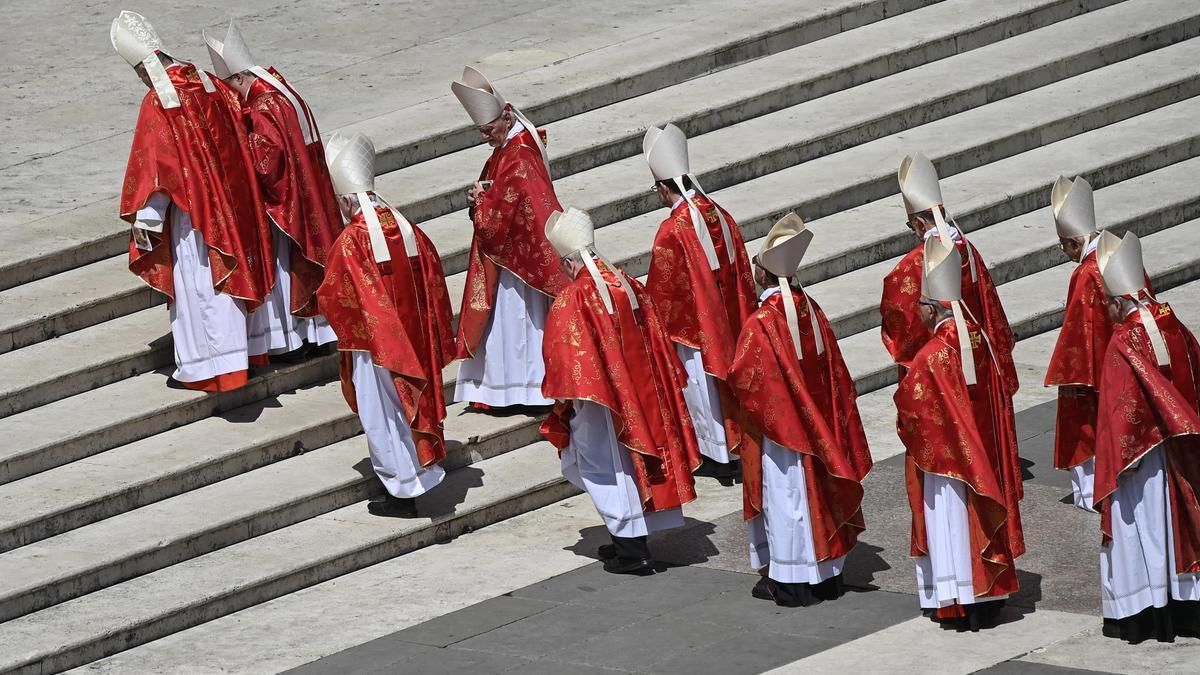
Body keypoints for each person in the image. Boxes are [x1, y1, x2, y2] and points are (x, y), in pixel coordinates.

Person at [111, 10, 270, 391]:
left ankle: (207, 369)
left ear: (144, 67)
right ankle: (240, 357)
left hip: (189, 213)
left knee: (199, 286)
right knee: (223, 281)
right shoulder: (203, 80)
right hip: (225, 201)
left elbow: (156, 166)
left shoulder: (159, 101)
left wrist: (147, 219)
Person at [540, 207, 701, 574]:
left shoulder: (573, 297)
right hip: (640, 393)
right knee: (631, 463)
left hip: (599, 401)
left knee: (604, 467)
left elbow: (564, 354)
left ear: (568, 262)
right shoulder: (626, 281)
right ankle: (628, 539)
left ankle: (632, 550)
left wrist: (565, 403)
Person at [728, 213, 872, 607]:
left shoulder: (762, 322)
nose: (754, 269)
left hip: (782, 434)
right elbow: (833, 370)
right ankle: (826, 576)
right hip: (815, 426)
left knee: (787, 499)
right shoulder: (810, 308)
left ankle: (792, 581)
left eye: (756, 264)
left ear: (764, 273)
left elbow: (743, 377)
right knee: (814, 497)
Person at [316, 132, 454, 518]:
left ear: (347, 199)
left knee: (382, 415)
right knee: (407, 407)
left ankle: (401, 492)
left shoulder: (351, 241)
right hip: (413, 338)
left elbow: (336, 294)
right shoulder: (408, 227)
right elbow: (433, 275)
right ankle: (413, 478)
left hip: (374, 346)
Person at [894, 234, 1025, 631]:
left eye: (919, 307)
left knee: (950, 521)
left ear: (932, 309)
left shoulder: (931, 355)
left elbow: (913, 410)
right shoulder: (978, 338)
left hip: (948, 462)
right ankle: (989, 596)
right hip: (982, 452)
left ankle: (958, 599)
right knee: (978, 520)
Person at [205, 19, 342, 363]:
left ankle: (291, 340)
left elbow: (268, 165)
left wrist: (239, 146)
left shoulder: (263, 107)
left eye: (229, 86)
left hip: (288, 203)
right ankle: (322, 332)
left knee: (286, 266)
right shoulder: (283, 88)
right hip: (312, 190)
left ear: (239, 78)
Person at [1091, 230, 1200, 643]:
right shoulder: (1172, 321)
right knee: (1177, 530)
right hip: (1179, 452)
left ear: (1120, 301)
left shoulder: (1123, 341)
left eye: (1108, 304)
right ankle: (1184, 607)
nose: (1107, 310)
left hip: (1139, 460)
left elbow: (1122, 413)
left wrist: (1117, 462)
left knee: (1142, 530)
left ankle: (1141, 614)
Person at [643, 124, 757, 482]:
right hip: (727, 313)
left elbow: (663, 286)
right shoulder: (719, 213)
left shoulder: (673, 228)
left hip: (694, 326)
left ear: (664, 188)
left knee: (700, 389)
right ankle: (735, 448)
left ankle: (716, 455)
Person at [449, 66, 568, 411]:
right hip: (515, 254)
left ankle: (519, 390)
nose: (486, 137)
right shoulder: (517, 141)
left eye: (488, 131)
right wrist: (481, 197)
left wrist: (481, 202)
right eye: (481, 132)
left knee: (516, 325)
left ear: (504, 117)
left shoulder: (519, 154)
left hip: (518, 263)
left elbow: (506, 212)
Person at [881, 154, 1017, 396]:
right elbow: (990, 304)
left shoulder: (916, 262)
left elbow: (898, 313)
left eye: (911, 225)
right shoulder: (968, 250)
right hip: (978, 350)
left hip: (941, 360)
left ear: (920, 224)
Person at [1044, 176, 1112, 512]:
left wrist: (1065, 373)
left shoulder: (1084, 274)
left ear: (1073, 242)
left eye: (1063, 246)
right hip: (1119, 362)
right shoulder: (1117, 255)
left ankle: (1090, 492)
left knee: (1085, 425)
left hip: (1091, 370)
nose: (1065, 253)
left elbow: (1078, 329)